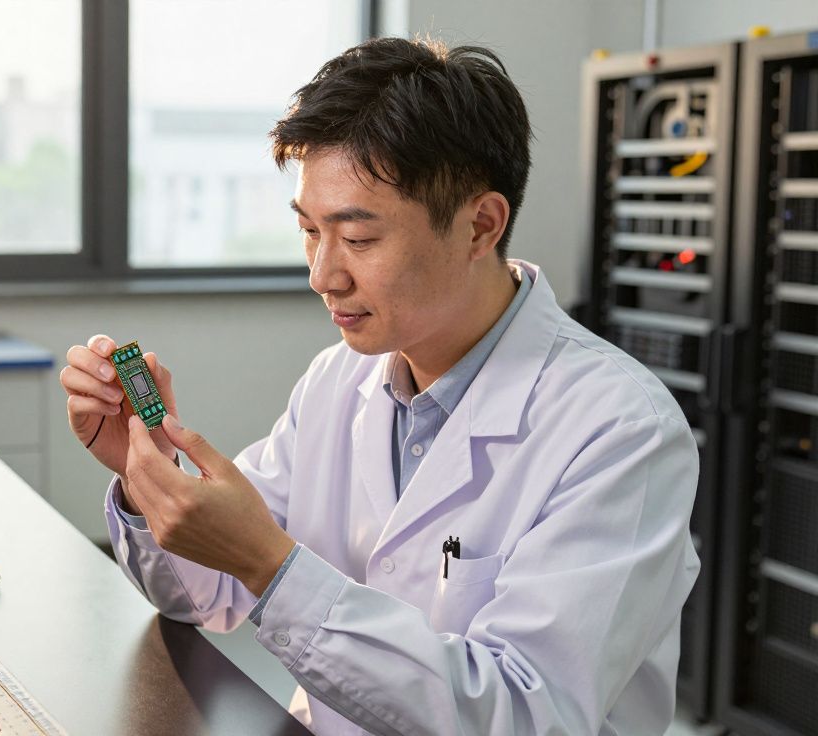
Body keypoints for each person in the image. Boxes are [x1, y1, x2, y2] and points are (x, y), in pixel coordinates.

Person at [60, 37, 699, 735]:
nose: (323, 276)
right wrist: (143, 473)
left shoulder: (619, 430)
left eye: (359, 240)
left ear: (481, 225)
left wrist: (272, 569)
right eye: (309, 231)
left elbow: (525, 713)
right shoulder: (341, 380)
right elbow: (203, 593)